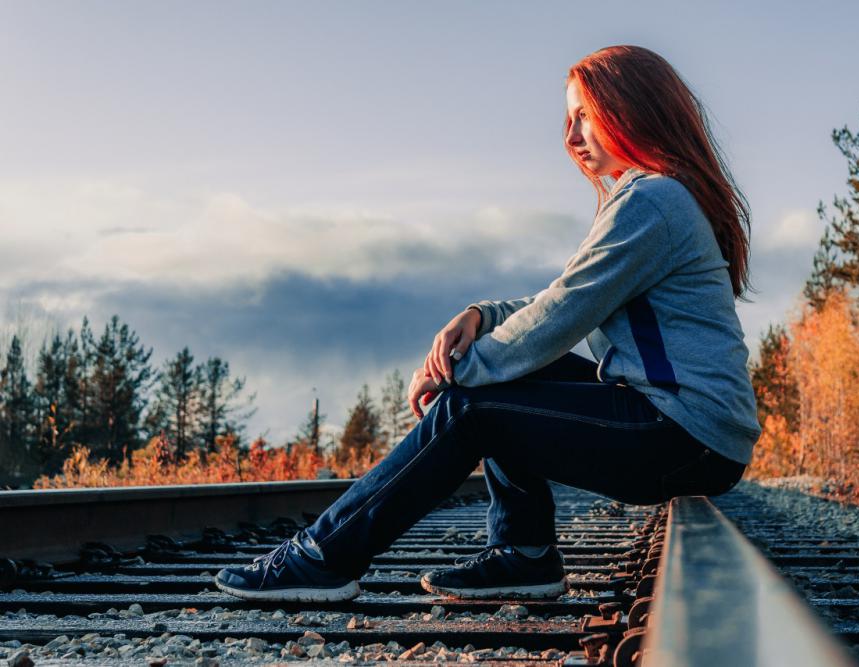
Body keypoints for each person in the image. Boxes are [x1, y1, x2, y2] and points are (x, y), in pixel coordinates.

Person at [214, 44, 761, 603]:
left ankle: (323, 556)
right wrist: (482, 317)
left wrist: (459, 371)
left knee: (474, 405)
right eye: (567, 120)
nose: (570, 137)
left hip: (685, 432)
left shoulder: (653, 200)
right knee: (496, 381)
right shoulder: (654, 197)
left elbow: (561, 314)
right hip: (691, 430)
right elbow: (563, 296)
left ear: (633, 109)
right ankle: (524, 555)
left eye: (584, 116)